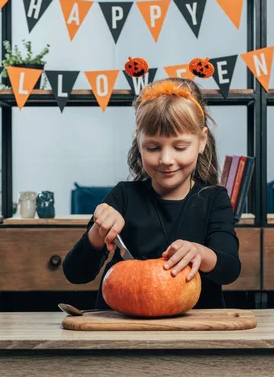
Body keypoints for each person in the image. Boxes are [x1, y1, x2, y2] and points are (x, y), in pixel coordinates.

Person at [62, 77, 241, 310]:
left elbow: (230, 269)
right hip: (122, 326)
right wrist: (98, 232)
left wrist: (199, 253)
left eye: (180, 147)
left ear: (202, 141)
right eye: (153, 147)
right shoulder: (123, 197)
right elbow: (75, 273)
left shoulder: (214, 199)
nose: (166, 160)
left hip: (195, 327)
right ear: (139, 143)